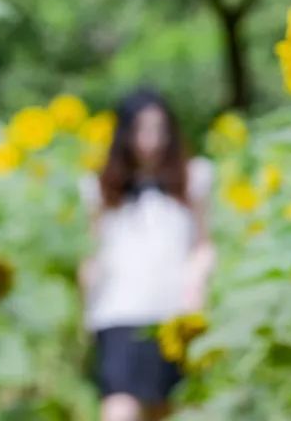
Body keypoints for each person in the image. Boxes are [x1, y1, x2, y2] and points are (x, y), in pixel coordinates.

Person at [77, 88, 215, 421]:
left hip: (172, 310)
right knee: (119, 406)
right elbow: (91, 251)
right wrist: (86, 306)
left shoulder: (193, 178)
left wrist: (196, 285)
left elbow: (203, 245)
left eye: (159, 130)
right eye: (141, 130)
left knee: (164, 409)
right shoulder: (99, 186)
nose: (151, 141)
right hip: (118, 309)